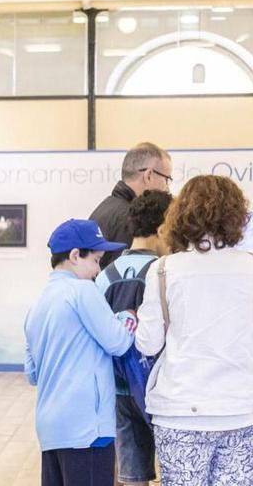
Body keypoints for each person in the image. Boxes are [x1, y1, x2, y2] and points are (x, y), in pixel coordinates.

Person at [135, 175, 253, 486]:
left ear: (181, 214)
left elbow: (148, 344)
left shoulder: (163, 269)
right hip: (244, 407)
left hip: (181, 409)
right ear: (237, 215)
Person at [24, 219, 135, 486]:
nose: (98, 270)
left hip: (51, 430)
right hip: (87, 429)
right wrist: (126, 317)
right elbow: (118, 342)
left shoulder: (37, 306)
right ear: (75, 255)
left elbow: (32, 374)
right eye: (96, 260)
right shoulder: (83, 290)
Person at [95, 190, 173, 486]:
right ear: (165, 225)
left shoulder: (105, 274)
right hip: (159, 387)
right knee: (175, 470)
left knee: (132, 476)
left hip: (116, 386)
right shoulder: (164, 272)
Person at [90, 142, 173, 269]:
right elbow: (126, 279)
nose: (167, 188)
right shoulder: (131, 218)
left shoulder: (104, 208)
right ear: (149, 176)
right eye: (167, 179)